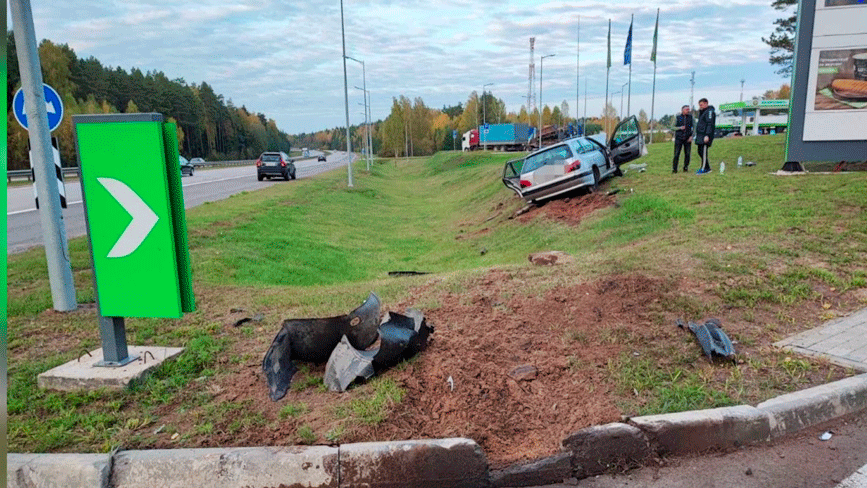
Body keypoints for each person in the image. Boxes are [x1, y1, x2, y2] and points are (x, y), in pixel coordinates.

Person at [694, 98, 716, 174]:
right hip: (700, 135)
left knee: (703, 152)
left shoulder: (709, 112)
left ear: (706, 103)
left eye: (701, 104)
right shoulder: (702, 112)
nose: (700, 106)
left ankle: (704, 169)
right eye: (699, 105)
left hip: (705, 135)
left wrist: (707, 135)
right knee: (699, 151)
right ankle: (707, 167)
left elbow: (710, 124)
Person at [672, 105, 694, 173]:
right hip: (679, 138)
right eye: (686, 109)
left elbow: (695, 127)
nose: (688, 110)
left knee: (687, 154)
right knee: (676, 154)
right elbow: (672, 127)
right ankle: (674, 169)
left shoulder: (691, 117)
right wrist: (679, 128)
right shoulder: (678, 117)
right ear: (682, 110)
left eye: (688, 109)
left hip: (688, 138)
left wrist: (692, 136)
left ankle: (685, 167)